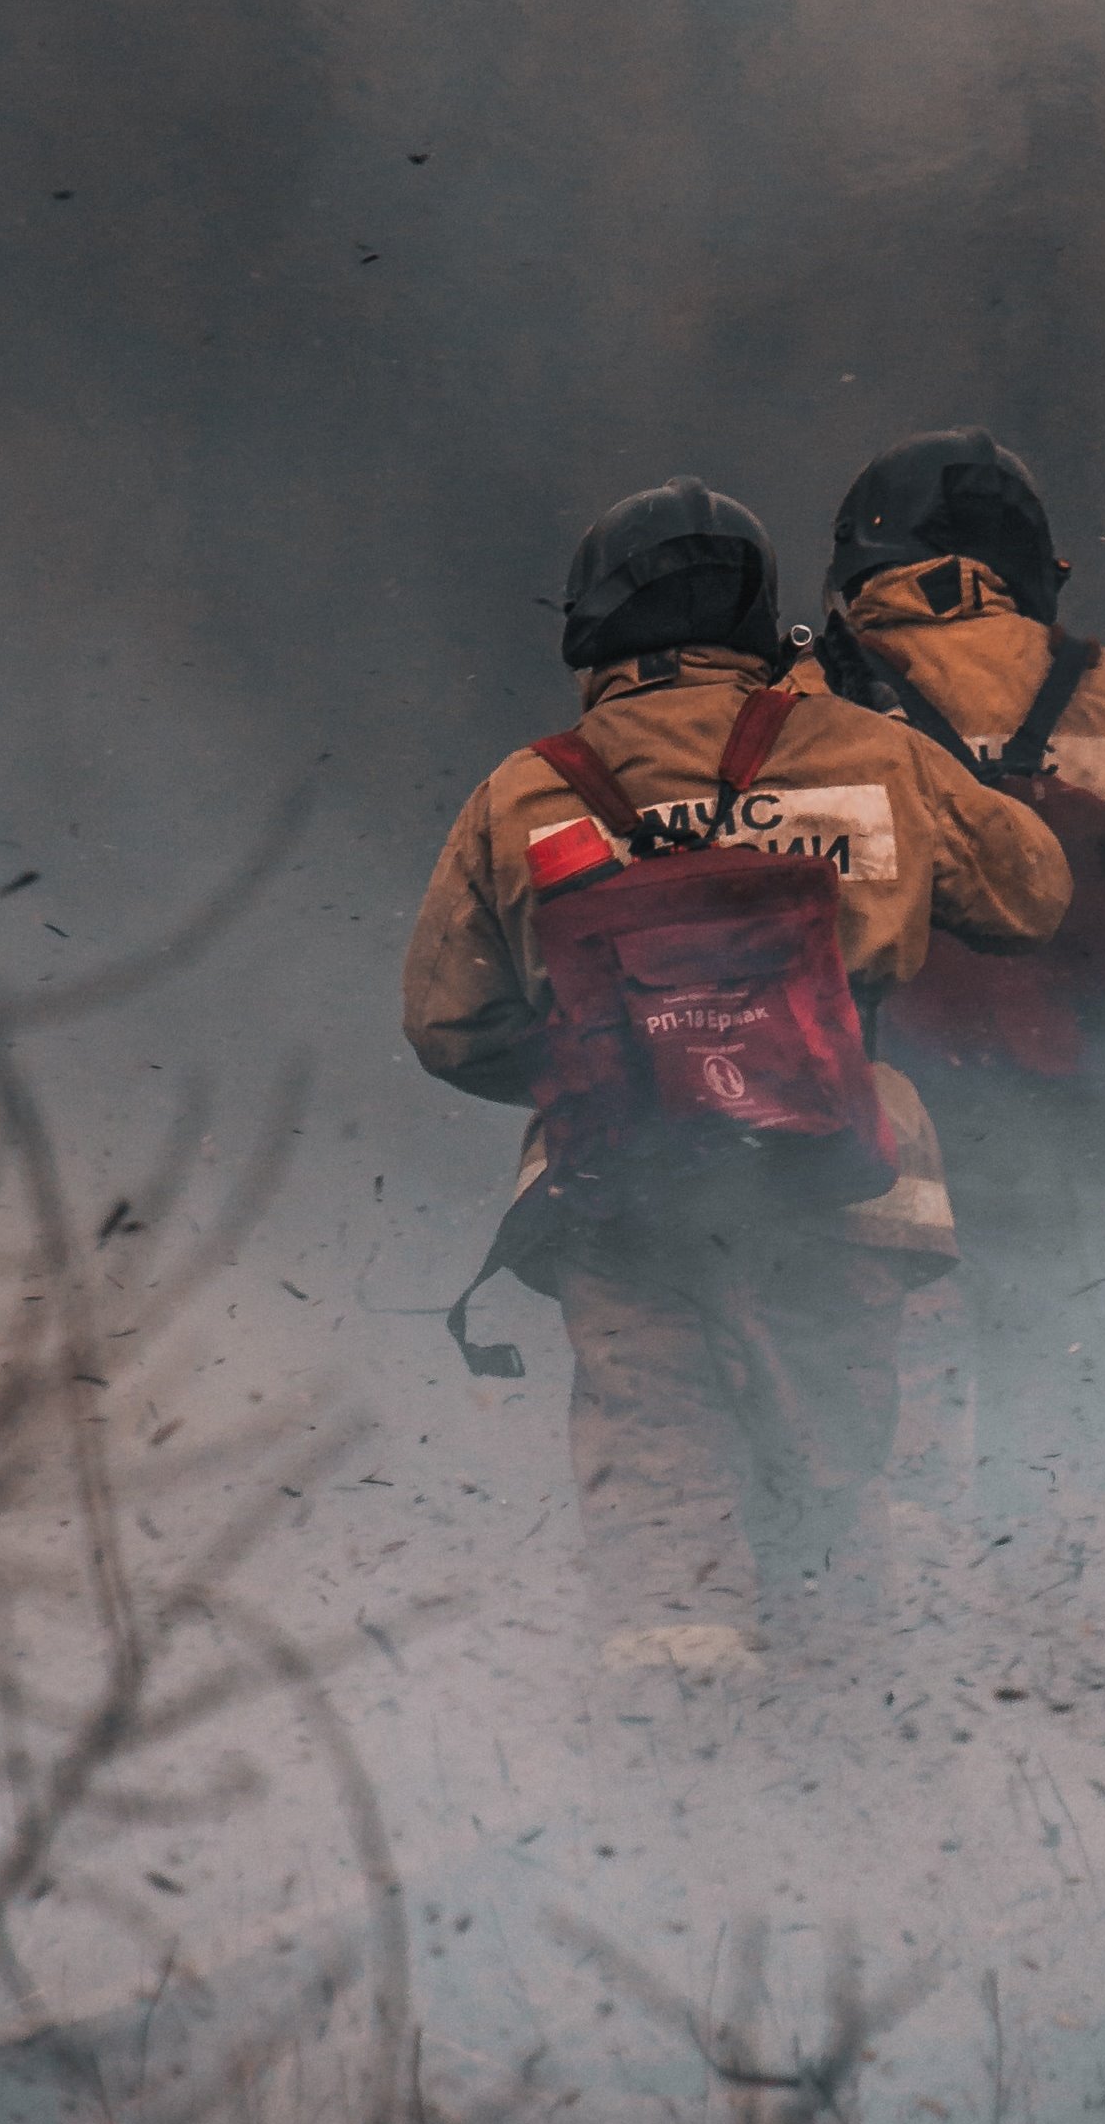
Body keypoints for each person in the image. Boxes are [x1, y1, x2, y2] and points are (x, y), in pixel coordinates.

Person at [402, 476, 1068, 1673]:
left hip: (622, 1187)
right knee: (854, 1470)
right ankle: (876, 1718)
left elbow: (447, 1023)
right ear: (762, 617)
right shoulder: (872, 752)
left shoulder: (524, 791)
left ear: (589, 625)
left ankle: (683, 1733)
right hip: (852, 1177)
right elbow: (1033, 894)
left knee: (659, 1465)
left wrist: (619, 1057)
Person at [816, 428, 1105, 1529]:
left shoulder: (803, 699)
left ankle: (903, 1615)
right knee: (1064, 1420)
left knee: (890, 1422)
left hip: (873, 1123)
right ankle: (1049, 1616)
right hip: (1069, 1119)